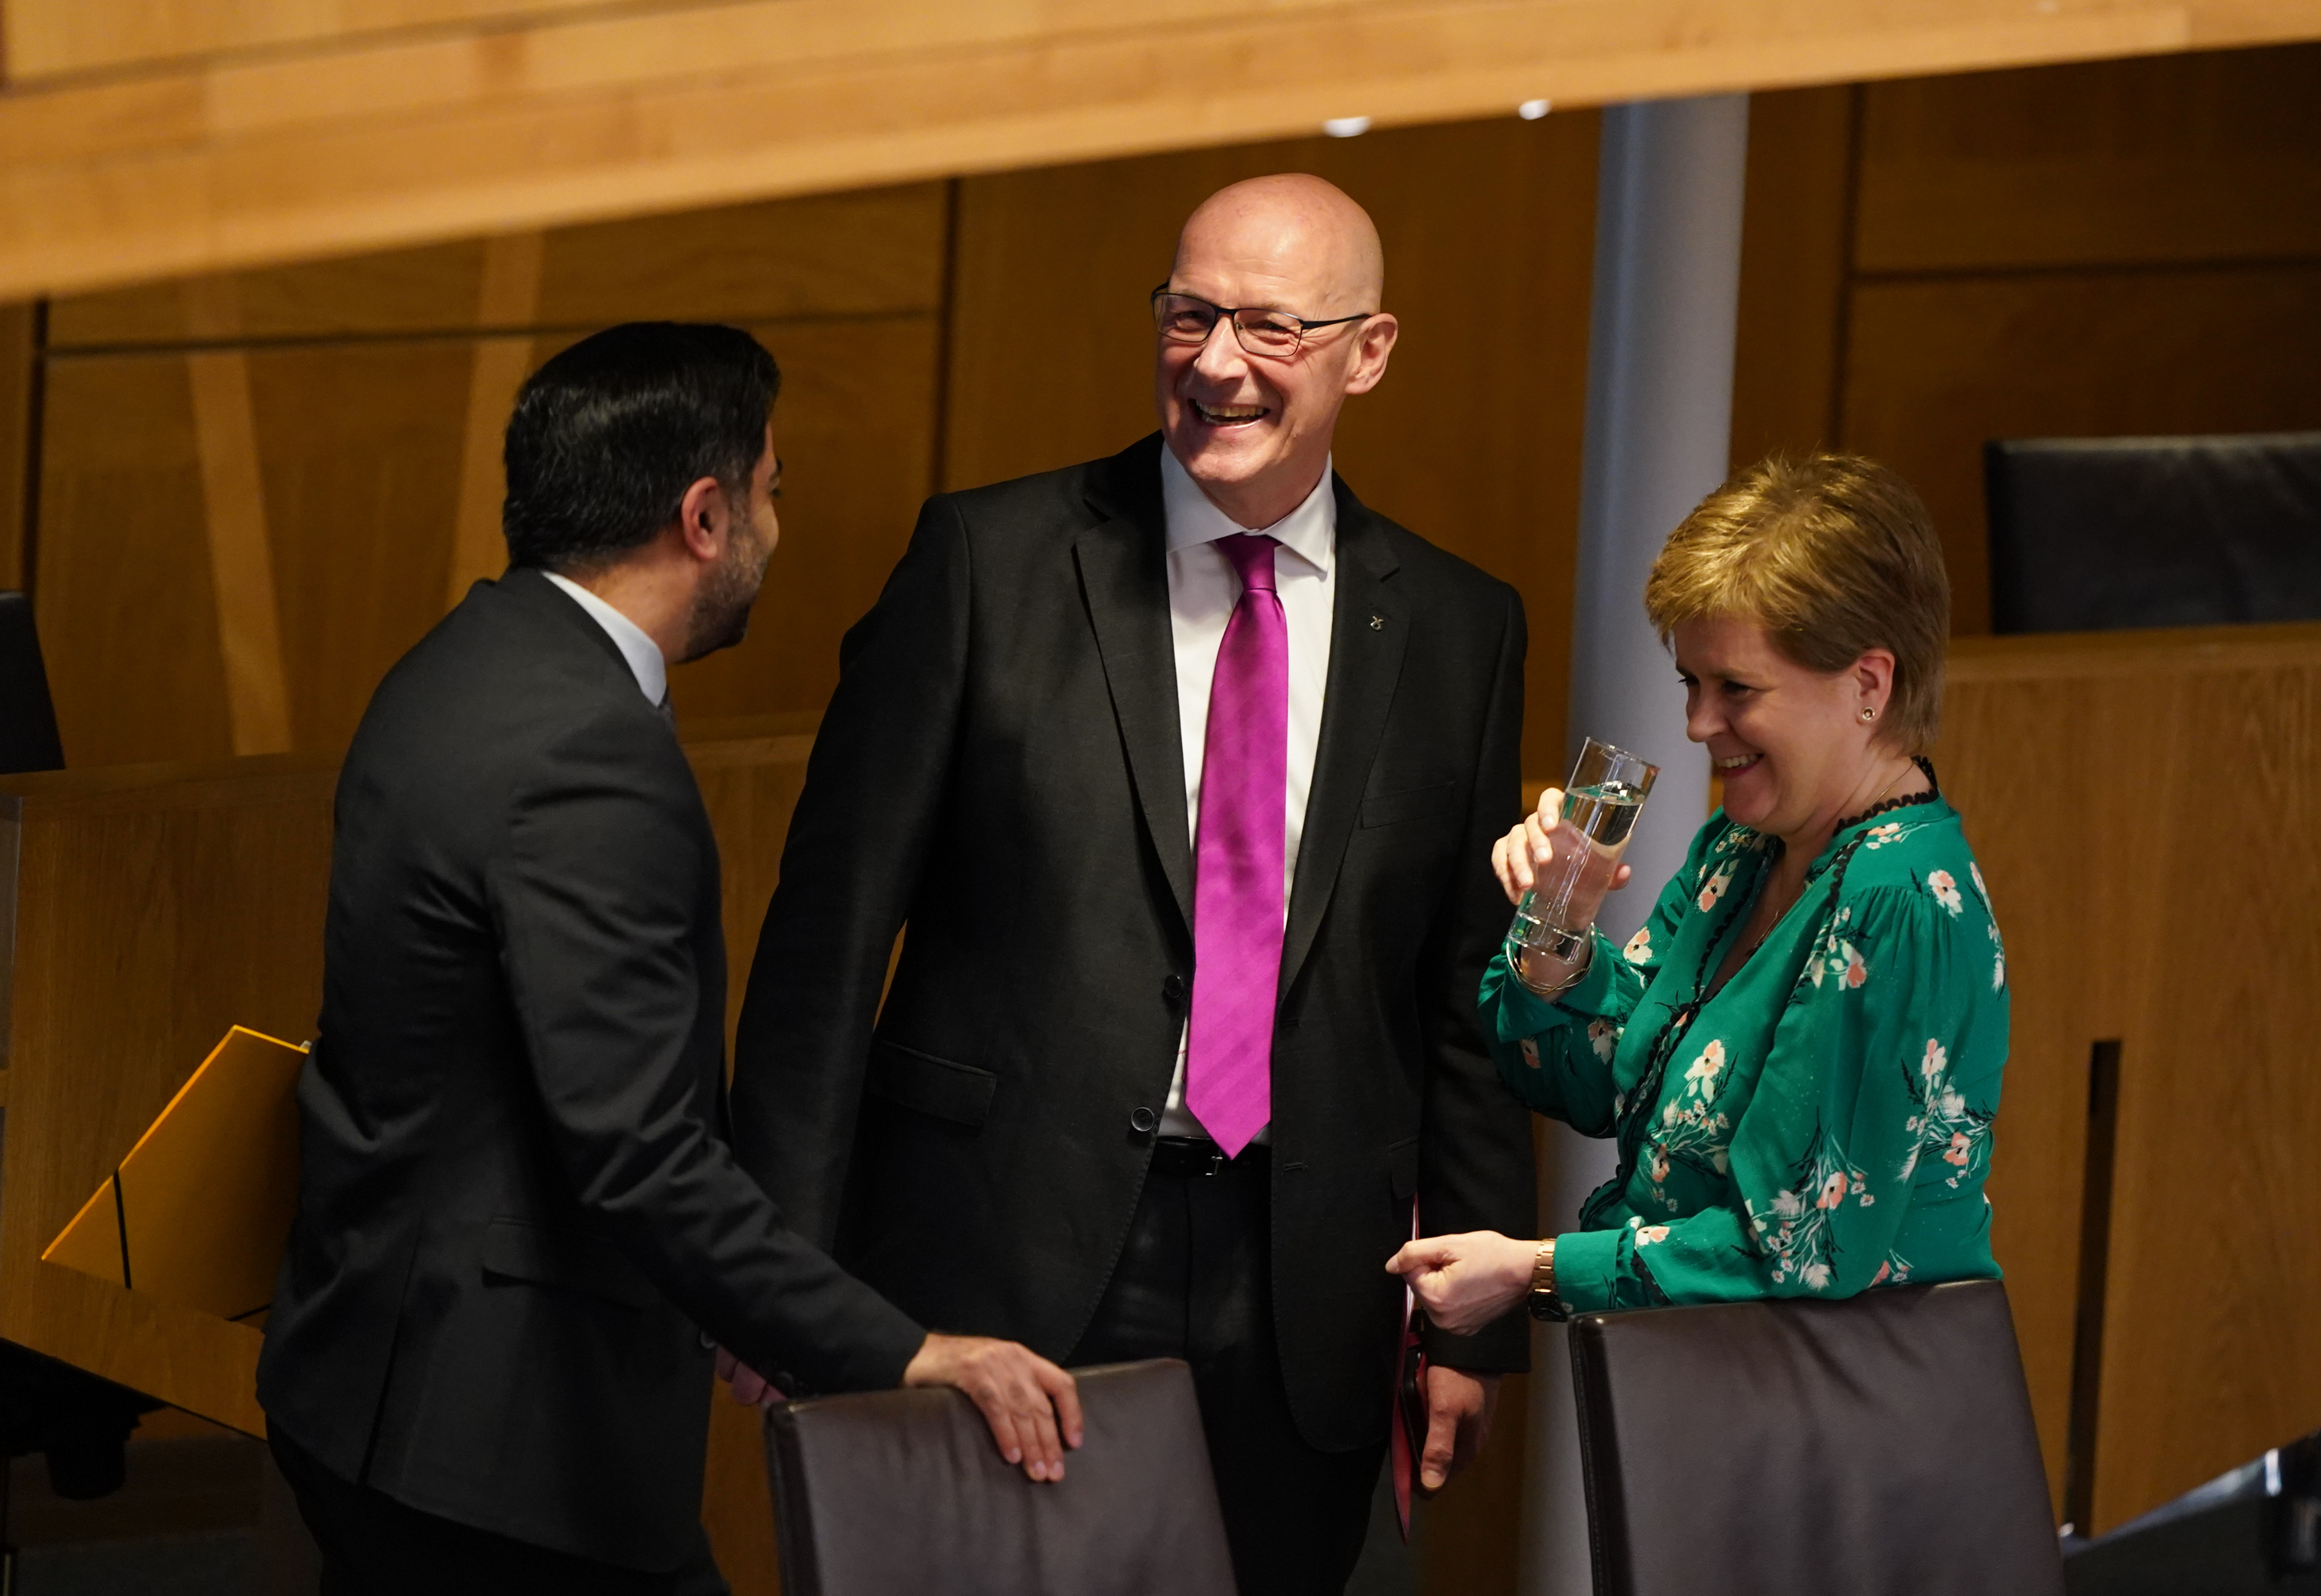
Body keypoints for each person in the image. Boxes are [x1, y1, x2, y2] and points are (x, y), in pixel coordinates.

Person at [730, 175, 1535, 1592]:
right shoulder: (988, 561)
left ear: (1370, 349)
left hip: (1304, 1280)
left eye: (1271, 328)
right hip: (1001, 1252)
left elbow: (1458, 996)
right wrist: (778, 1278)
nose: (1217, 364)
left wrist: (1467, 1329)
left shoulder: (1462, 627)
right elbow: (828, 939)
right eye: (1188, 314)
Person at [256, 323, 1080, 1596]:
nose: (773, 526)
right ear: (705, 516)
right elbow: (638, 1151)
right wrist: (907, 1351)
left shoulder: (465, 661)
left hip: (367, 1376)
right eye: (771, 489)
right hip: (501, 1443)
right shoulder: (589, 757)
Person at [1390, 452, 2008, 1331]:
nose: (1696, 725)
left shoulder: (1898, 899)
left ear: (1868, 684)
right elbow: (1602, 1085)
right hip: (1717, 1381)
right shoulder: (1745, 847)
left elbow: (1801, 1242)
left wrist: (1536, 1267)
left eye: (1736, 689)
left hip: (1826, 1424)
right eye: (1691, 682)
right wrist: (1557, 922)